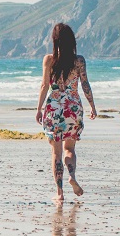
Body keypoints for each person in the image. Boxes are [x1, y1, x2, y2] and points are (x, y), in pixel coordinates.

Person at [35, 23, 96, 204]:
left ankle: (60, 192)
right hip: (73, 108)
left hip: (54, 108)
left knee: (56, 152)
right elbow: (85, 84)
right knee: (70, 149)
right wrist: (92, 105)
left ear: (55, 40)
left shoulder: (49, 60)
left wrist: (38, 109)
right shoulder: (79, 60)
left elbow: (44, 86)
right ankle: (72, 175)